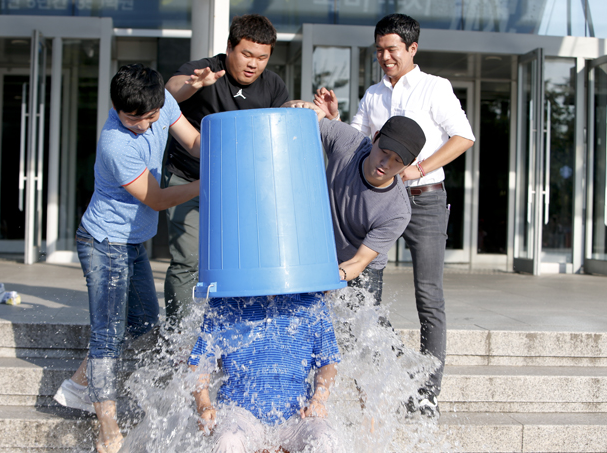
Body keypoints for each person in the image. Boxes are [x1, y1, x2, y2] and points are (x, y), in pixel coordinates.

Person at [313, 13, 476, 417]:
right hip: (374, 204)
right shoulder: (372, 94)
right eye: (379, 49)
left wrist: (417, 169)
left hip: (423, 199)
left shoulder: (436, 88)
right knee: (367, 298)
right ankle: (401, 364)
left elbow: (464, 137)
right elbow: (356, 139)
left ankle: (427, 395)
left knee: (429, 296)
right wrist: (332, 119)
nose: (384, 56)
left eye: (392, 49)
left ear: (412, 49)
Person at [52, 64, 202, 453]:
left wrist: (224, 156)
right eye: (132, 119)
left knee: (145, 324)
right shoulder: (115, 144)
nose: (142, 125)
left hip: (134, 242)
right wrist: (208, 183)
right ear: (117, 108)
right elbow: (157, 198)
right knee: (108, 335)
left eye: (150, 118)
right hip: (103, 243)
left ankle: (80, 384)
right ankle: (108, 430)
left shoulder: (162, 102)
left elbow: (194, 142)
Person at [163, 14, 289, 326]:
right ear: (230, 48)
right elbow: (170, 92)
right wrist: (193, 85)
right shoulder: (206, 69)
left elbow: (282, 126)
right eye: (246, 54)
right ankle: (179, 337)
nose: (253, 64)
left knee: (238, 261)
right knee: (188, 260)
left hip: (240, 189)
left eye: (262, 58)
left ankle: (231, 331)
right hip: (189, 179)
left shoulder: (272, 85)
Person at [189, 292, 340, 453]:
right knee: (228, 440)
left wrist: (319, 399)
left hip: (296, 415)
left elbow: (328, 361)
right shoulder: (224, 301)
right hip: (239, 412)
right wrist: (204, 405)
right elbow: (199, 363)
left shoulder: (312, 302)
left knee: (326, 439)